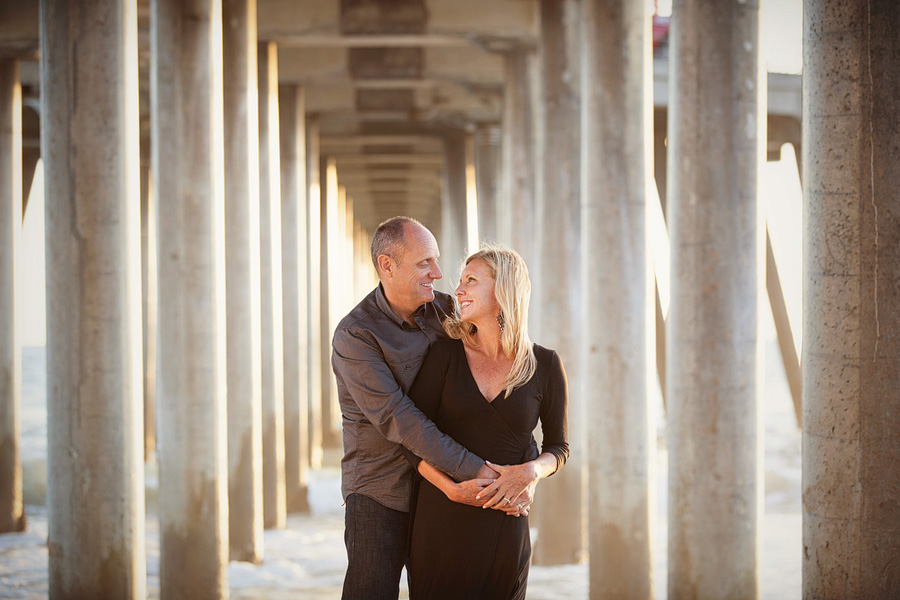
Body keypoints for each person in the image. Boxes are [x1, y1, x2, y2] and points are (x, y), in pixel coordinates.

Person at [331, 217, 529, 600]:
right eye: (425, 263)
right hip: (381, 492)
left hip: (444, 491)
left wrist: (523, 470)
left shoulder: (448, 313)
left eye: (436, 260)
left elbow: (493, 387)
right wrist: (482, 472)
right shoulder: (356, 335)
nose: (438, 273)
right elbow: (399, 419)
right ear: (387, 266)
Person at [403, 243, 569, 600]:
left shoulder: (545, 364)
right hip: (441, 520)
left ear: (504, 289)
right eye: (461, 280)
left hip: (505, 523)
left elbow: (558, 447)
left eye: (471, 280)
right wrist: (452, 490)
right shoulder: (443, 355)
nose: (458, 290)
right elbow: (410, 441)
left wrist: (531, 472)